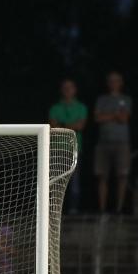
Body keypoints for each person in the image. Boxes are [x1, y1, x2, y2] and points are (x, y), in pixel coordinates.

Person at [93, 71, 131, 213]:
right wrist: (115, 114)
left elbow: (124, 118)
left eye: (116, 80)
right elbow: (97, 118)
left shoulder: (126, 99)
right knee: (102, 176)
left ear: (121, 83)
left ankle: (119, 208)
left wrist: (107, 115)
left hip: (122, 142)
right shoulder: (101, 99)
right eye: (111, 80)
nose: (113, 83)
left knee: (122, 175)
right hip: (103, 142)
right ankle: (102, 209)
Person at [49, 78, 87, 213]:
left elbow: (81, 125)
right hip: (57, 149)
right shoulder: (55, 108)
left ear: (75, 90)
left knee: (74, 182)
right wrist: (71, 126)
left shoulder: (81, 107)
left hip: (74, 149)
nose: (67, 90)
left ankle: (73, 210)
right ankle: (55, 210)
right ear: (61, 90)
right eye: (65, 87)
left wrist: (63, 124)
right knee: (56, 181)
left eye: (70, 87)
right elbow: (54, 126)